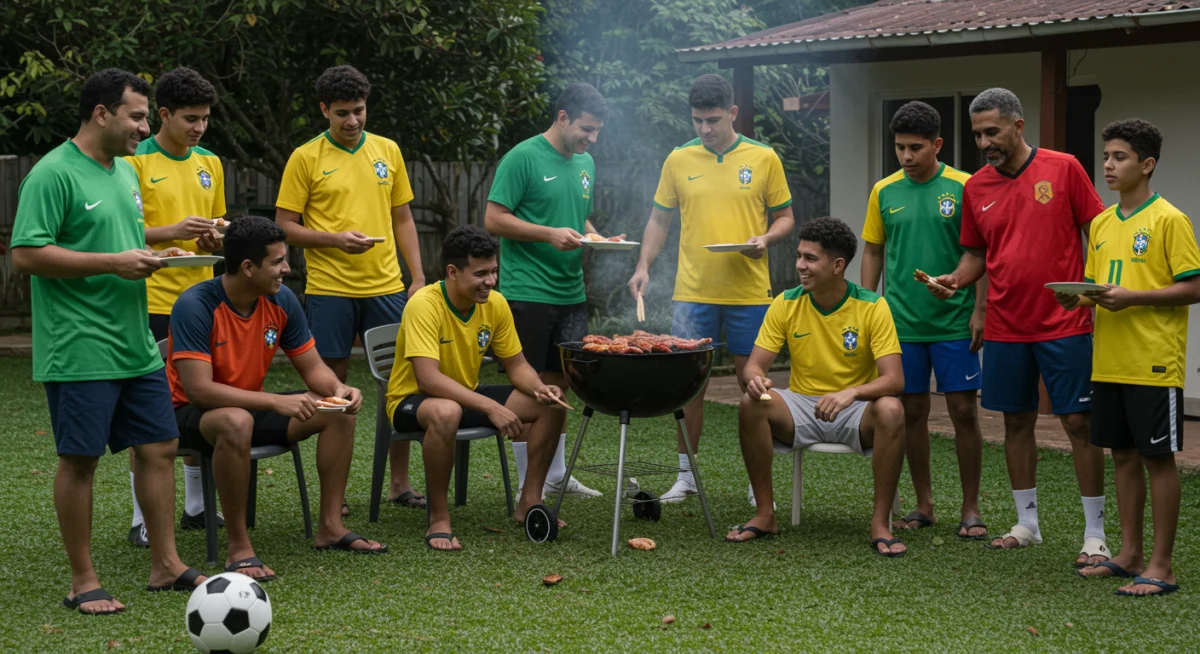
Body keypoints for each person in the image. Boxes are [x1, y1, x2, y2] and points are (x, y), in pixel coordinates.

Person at [11, 68, 207, 615]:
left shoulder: (122, 171)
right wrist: (113, 263)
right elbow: (26, 254)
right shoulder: (52, 174)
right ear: (102, 113)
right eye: (138, 116)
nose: (145, 127)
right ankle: (83, 579)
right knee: (80, 460)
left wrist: (160, 247)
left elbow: (117, 235)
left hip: (134, 341)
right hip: (79, 346)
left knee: (161, 447)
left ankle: (166, 563)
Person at [926, 88, 1109, 565]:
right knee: (1016, 422)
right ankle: (1027, 524)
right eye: (978, 134)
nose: (985, 142)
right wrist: (955, 280)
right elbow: (977, 255)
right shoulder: (976, 188)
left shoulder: (1063, 167)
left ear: (1018, 125)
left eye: (993, 131)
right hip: (1006, 325)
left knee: (1079, 423)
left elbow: (1100, 229)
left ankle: (1095, 533)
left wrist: (1095, 285)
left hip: (1065, 320)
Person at [168, 216, 386, 579]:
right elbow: (199, 390)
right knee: (236, 421)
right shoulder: (196, 304)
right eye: (278, 262)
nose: (287, 269)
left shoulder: (281, 299)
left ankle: (330, 527)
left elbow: (313, 367)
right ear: (248, 267)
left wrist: (337, 390)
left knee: (338, 411)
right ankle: (239, 547)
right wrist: (273, 402)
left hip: (250, 406)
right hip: (190, 415)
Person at [628, 73, 795, 504]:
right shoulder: (678, 159)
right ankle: (686, 477)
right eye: (697, 120)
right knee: (690, 386)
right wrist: (643, 265)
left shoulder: (763, 157)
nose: (704, 129)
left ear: (733, 113)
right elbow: (659, 220)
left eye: (713, 120)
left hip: (749, 293)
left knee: (753, 385)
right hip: (692, 292)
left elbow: (786, 218)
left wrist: (766, 240)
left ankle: (759, 485)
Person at [276, 64, 425, 513]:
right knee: (332, 393)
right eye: (342, 113)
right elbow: (284, 227)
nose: (353, 121)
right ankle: (334, 500)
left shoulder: (388, 151)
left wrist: (417, 277)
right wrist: (334, 240)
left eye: (359, 110)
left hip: (387, 287)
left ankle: (399, 483)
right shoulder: (305, 157)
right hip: (329, 290)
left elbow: (403, 218)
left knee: (398, 386)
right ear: (324, 109)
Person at [1066, 119, 1200, 596]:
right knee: (1122, 456)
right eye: (1105, 157)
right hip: (1109, 361)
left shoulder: (1169, 219)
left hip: (1154, 361)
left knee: (1157, 458)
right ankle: (1129, 554)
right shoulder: (1101, 223)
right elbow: (1100, 289)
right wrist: (1075, 298)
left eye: (1119, 157)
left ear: (1147, 165)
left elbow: (1194, 286)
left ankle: (1162, 566)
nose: (1108, 165)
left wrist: (1135, 297)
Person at [729, 218, 907, 556]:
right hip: (801, 407)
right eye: (799, 256)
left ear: (838, 266)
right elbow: (754, 364)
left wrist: (851, 392)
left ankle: (880, 524)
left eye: (810, 258)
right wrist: (754, 378)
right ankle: (765, 515)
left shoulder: (873, 306)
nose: (800, 265)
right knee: (751, 403)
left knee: (891, 408)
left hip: (854, 410)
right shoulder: (786, 302)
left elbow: (894, 380)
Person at [384, 225, 569, 551]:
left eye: (494, 271)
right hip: (413, 399)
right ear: (452, 272)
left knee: (551, 402)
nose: (491, 281)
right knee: (446, 411)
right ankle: (438, 518)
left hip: (464, 394)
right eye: (481, 273)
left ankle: (529, 502)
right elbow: (429, 378)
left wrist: (540, 387)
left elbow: (517, 365)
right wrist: (490, 407)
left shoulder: (495, 304)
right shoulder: (424, 304)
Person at [859, 101, 988, 539]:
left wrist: (979, 308)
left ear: (937, 144)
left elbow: (980, 253)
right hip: (900, 323)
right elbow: (873, 250)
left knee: (963, 411)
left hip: (954, 320)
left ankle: (971, 508)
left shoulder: (965, 186)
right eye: (899, 148)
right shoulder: (884, 191)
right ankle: (924, 504)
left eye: (916, 148)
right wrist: (865, 307)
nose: (907, 157)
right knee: (911, 410)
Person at [484, 82, 609, 500]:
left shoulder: (587, 161)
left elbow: (578, 218)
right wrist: (547, 234)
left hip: (571, 290)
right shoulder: (522, 157)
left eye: (596, 132)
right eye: (586, 130)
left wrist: (599, 238)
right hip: (528, 291)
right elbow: (494, 220)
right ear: (562, 118)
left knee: (561, 384)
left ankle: (554, 475)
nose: (591, 140)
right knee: (532, 387)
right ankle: (527, 483)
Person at [124, 66, 226, 548]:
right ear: (162, 115)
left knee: (199, 399)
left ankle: (196, 504)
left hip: (200, 301)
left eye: (205, 119)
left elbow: (213, 226)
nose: (199, 127)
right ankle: (142, 515)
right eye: (190, 118)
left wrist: (210, 235)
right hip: (149, 300)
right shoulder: (133, 160)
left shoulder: (210, 161)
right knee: (149, 409)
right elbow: (120, 234)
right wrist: (172, 233)